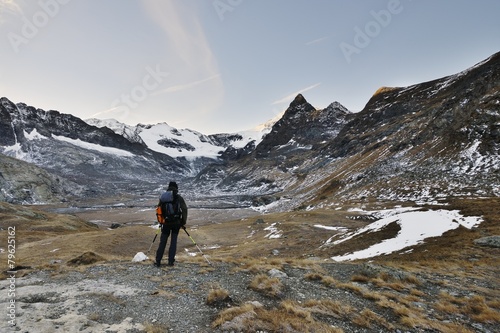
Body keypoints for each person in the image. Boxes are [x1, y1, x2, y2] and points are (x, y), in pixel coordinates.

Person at [154, 181, 188, 267]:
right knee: (173, 242)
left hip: (166, 223)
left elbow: (159, 209)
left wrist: (161, 221)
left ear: (168, 187)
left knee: (163, 242)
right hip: (176, 223)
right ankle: (170, 261)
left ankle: (158, 261)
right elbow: (184, 210)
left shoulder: (164, 197)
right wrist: (182, 222)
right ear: (176, 188)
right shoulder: (179, 197)